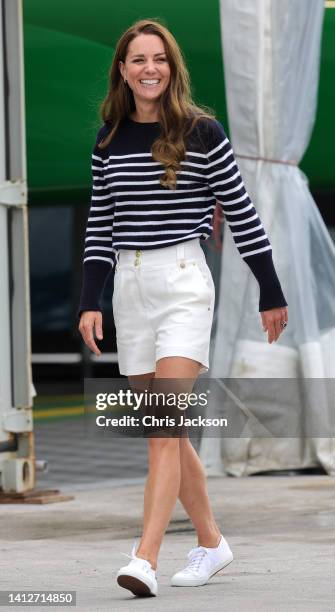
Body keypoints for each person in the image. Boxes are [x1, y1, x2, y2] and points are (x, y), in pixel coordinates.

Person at [77, 18, 288, 598]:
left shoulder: (202, 131)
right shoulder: (108, 138)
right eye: (138, 59)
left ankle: (143, 557)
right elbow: (101, 225)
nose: (150, 69)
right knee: (166, 431)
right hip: (129, 283)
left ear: (172, 68)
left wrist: (270, 291)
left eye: (160, 59)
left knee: (162, 431)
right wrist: (90, 302)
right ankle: (212, 541)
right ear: (122, 69)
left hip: (185, 281)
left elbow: (241, 213)